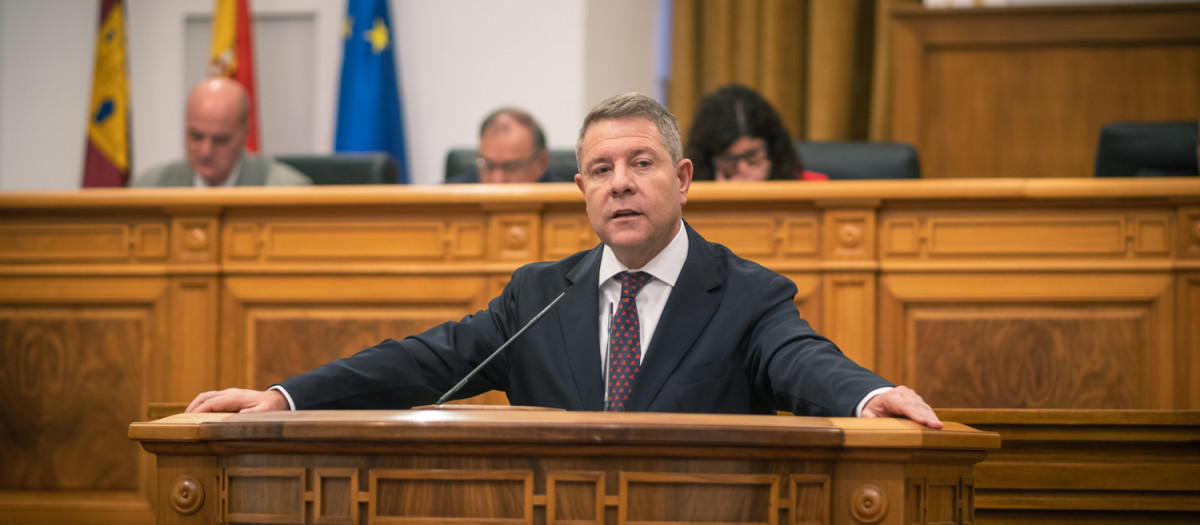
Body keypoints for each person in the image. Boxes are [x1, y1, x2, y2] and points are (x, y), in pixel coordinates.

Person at [187, 92, 941, 429]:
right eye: (602, 170)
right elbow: (423, 360)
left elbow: (804, 360)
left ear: (681, 180)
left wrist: (871, 397)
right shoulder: (540, 295)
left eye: (641, 162)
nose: (621, 182)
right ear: (580, 190)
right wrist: (284, 397)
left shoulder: (746, 294)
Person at [131, 77, 311, 187]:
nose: (205, 151)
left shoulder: (286, 192)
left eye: (220, 140)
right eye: (196, 136)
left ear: (245, 134)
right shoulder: (150, 188)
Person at [686, 84, 827, 182]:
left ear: (772, 147)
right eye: (729, 159)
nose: (743, 168)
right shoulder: (684, 200)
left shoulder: (814, 189)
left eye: (752, 155)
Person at [446, 108, 568, 183]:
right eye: (488, 165)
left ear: (541, 162)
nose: (497, 180)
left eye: (511, 167)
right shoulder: (445, 199)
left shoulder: (573, 205)